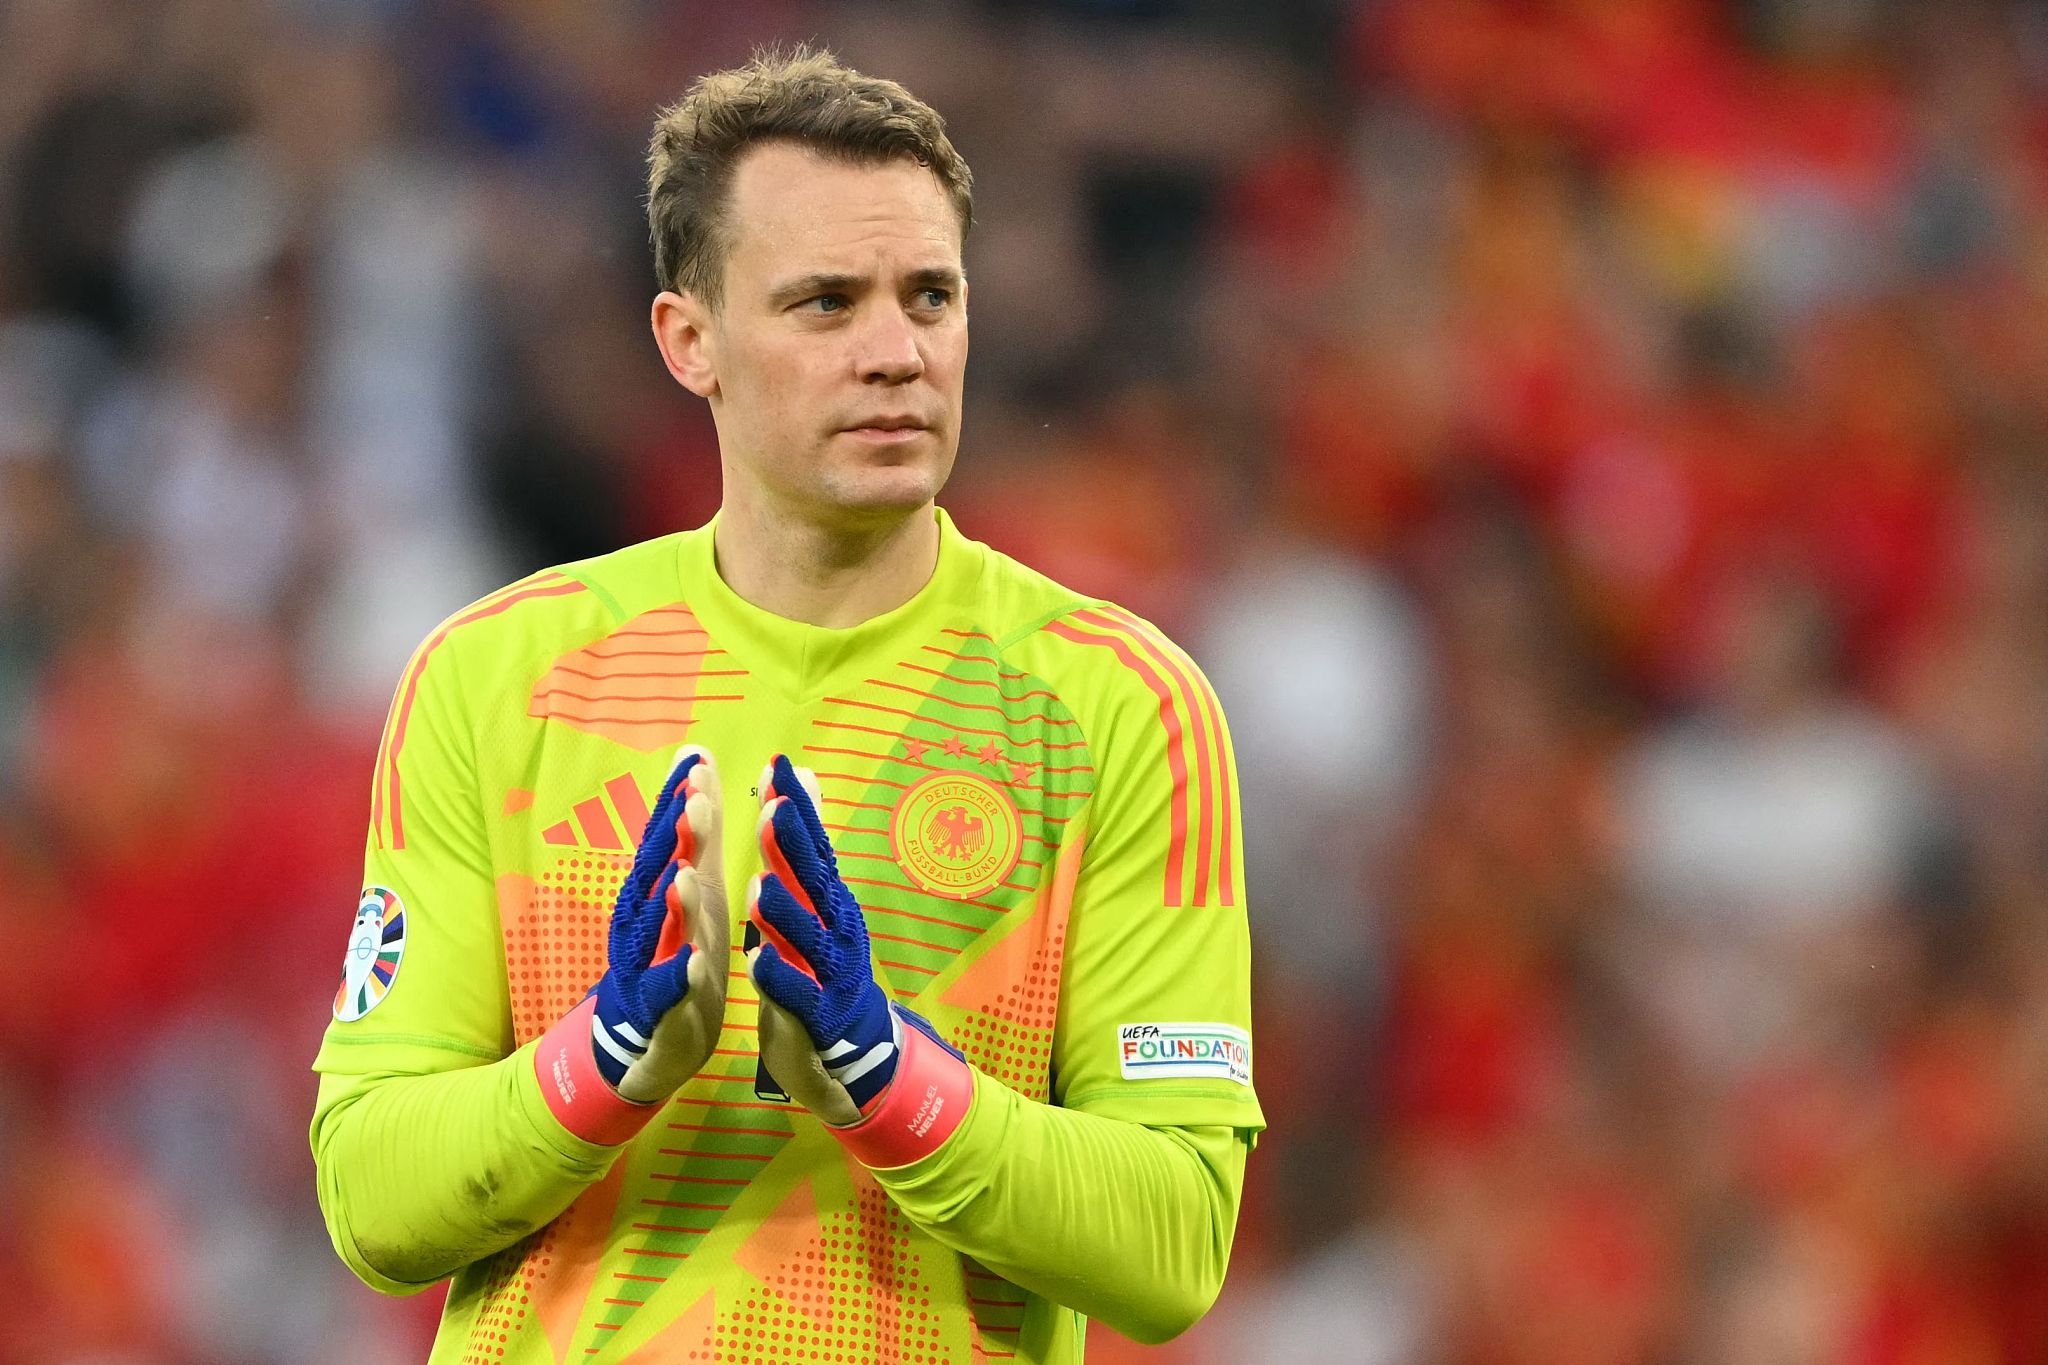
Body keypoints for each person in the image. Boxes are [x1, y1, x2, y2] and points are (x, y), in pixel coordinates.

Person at [310, 46, 1263, 1363]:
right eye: (825, 303)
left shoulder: (1118, 703)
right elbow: (372, 1198)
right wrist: (612, 1057)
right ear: (688, 340)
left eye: (930, 296)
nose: (896, 353)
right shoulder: (500, 675)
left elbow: (1172, 1248)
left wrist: (889, 1082)